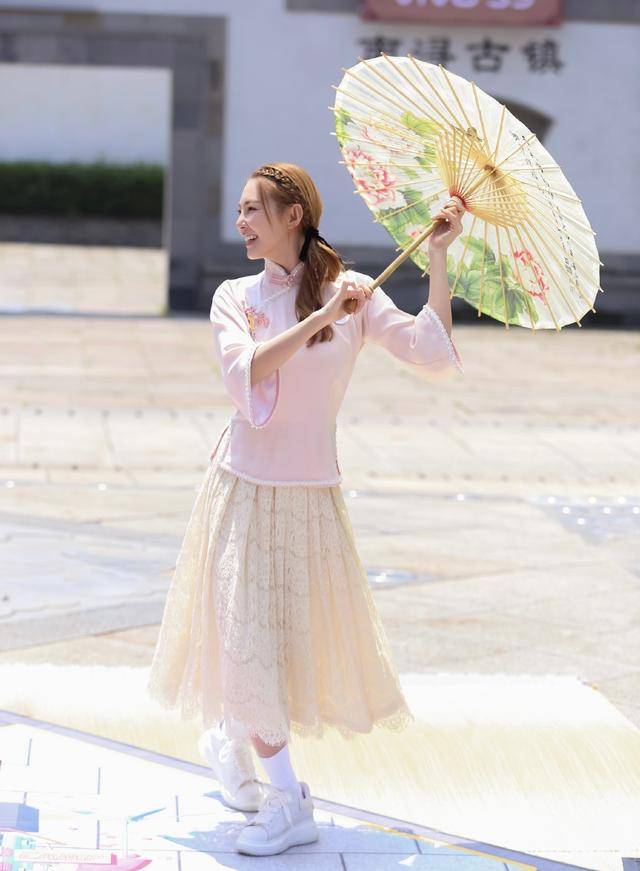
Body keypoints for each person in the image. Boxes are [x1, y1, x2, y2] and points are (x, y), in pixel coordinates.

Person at [146, 162, 465, 857]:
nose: (241, 223)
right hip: (241, 488)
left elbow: (431, 353)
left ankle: (234, 742)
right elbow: (246, 372)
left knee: (276, 644)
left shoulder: (356, 293)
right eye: (238, 211)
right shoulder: (237, 295)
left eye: (252, 210)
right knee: (245, 639)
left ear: (293, 215)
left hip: (311, 496)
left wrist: (437, 258)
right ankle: (287, 797)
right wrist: (322, 318)